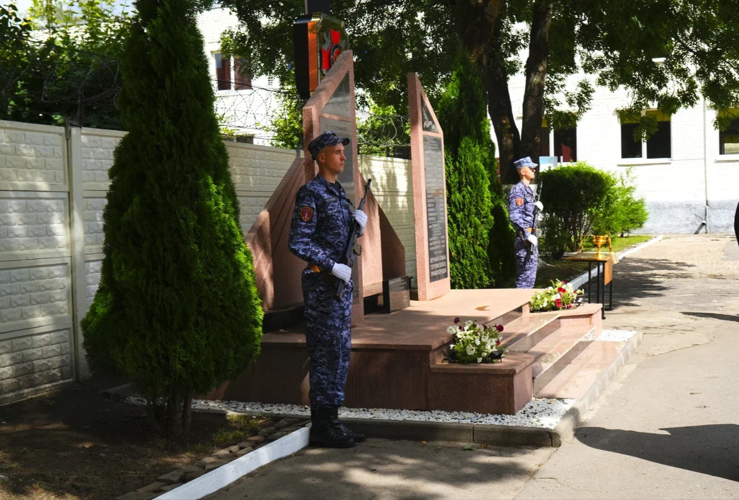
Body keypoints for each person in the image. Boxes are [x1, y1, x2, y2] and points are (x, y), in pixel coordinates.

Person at [288, 131, 368, 448]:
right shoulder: (311, 194)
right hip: (323, 286)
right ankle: (321, 426)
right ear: (322, 157)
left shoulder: (338, 193)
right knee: (325, 354)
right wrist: (330, 265)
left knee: (339, 354)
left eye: (343, 152)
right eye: (337, 152)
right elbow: (299, 241)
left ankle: (333, 420)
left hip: (340, 288)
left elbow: (339, 238)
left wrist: (356, 226)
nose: (343, 157)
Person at [509, 157, 544, 288]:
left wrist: (535, 207)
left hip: (531, 237)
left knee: (530, 276)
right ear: (523, 171)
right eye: (530, 168)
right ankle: (520, 306)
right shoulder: (518, 190)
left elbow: (527, 214)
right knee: (524, 278)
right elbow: (515, 216)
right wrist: (526, 235)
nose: (533, 170)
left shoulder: (528, 190)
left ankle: (526, 305)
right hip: (524, 239)